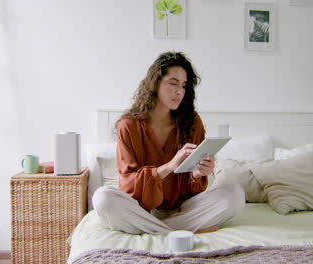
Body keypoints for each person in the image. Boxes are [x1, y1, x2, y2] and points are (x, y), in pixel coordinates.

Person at [92, 51, 245, 235]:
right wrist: (168, 167)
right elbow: (128, 185)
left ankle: (158, 232)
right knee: (103, 199)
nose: (179, 91)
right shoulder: (128, 126)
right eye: (173, 83)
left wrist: (197, 173)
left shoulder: (192, 123)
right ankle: (182, 231)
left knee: (235, 194)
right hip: (142, 210)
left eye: (184, 85)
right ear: (155, 83)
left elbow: (193, 189)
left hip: (183, 209)